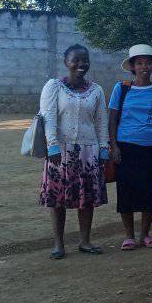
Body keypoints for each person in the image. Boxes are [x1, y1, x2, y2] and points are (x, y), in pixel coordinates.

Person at [39, 44, 108, 259]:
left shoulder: (96, 90)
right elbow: (48, 117)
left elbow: (101, 121)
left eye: (85, 60)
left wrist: (103, 148)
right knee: (57, 198)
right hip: (60, 151)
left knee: (86, 199)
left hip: (88, 151)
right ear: (66, 62)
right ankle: (58, 244)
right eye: (75, 60)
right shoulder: (54, 87)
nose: (81, 64)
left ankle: (85, 241)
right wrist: (52, 145)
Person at [108, 44, 152, 250]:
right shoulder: (121, 89)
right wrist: (114, 146)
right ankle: (129, 235)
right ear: (133, 67)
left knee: (149, 191)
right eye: (139, 63)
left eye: (148, 63)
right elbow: (112, 119)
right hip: (126, 148)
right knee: (126, 191)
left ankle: (145, 234)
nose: (144, 66)